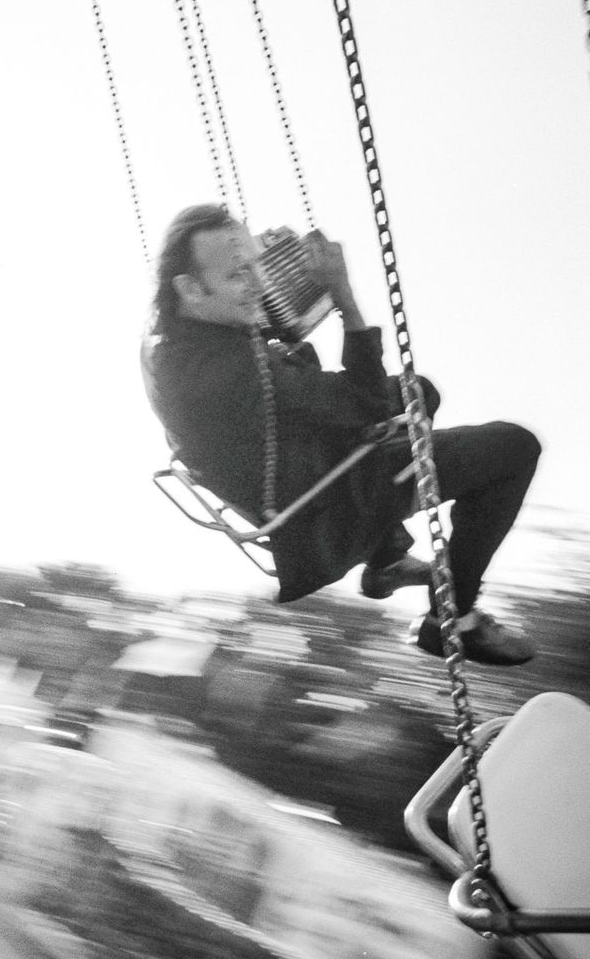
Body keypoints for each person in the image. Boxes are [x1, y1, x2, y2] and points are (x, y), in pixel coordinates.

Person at [141, 203, 539, 665]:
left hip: (294, 468)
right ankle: (453, 619)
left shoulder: (169, 342)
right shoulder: (232, 373)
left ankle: (387, 558)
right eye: (238, 274)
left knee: (418, 391)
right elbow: (363, 400)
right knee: (514, 447)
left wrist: (265, 268)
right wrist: (341, 292)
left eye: (256, 265)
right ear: (190, 288)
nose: (258, 284)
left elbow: (264, 342)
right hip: (327, 506)